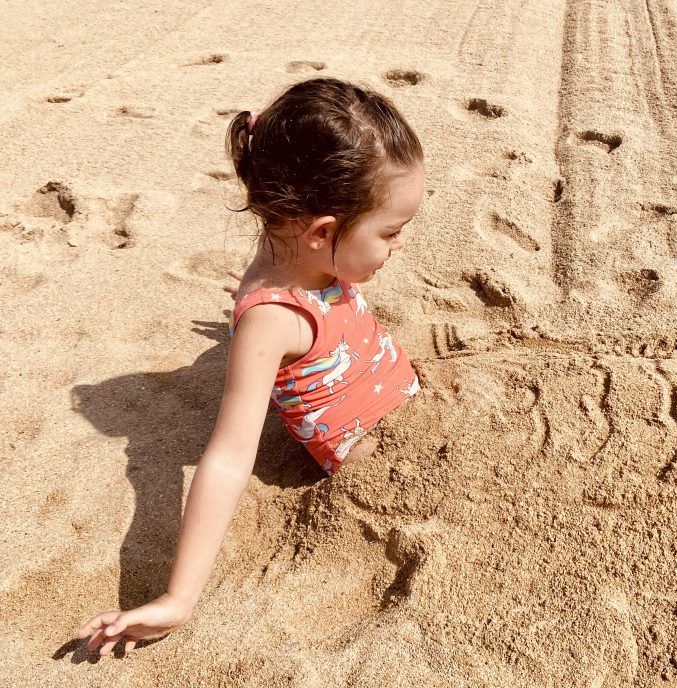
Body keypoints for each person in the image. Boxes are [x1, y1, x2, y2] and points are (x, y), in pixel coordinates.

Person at [76, 77, 426, 657]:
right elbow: (228, 458)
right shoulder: (269, 322)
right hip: (386, 467)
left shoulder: (285, 245)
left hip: (417, 413)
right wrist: (178, 598)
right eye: (391, 233)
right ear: (321, 233)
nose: (398, 246)